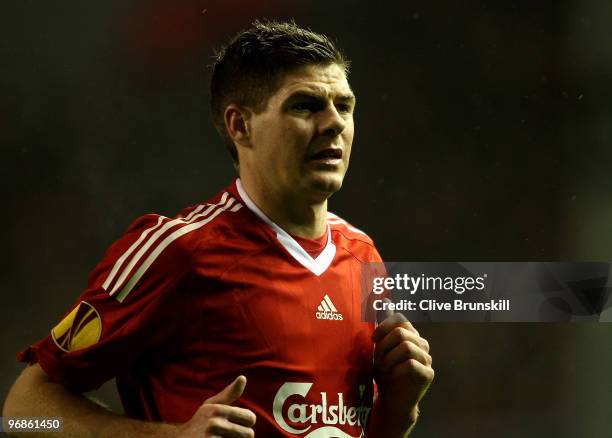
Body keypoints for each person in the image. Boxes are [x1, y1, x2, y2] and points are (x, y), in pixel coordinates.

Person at [3, 20, 433, 437]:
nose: (334, 122)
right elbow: (22, 413)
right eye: (305, 105)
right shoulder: (180, 251)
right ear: (240, 125)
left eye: (345, 105)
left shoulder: (362, 256)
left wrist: (399, 407)